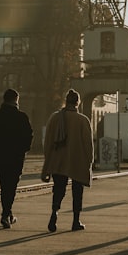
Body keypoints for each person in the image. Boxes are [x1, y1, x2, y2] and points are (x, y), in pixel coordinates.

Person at [41, 89, 94, 232]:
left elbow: (48, 142)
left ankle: (54, 213)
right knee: (77, 191)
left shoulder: (55, 118)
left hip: (58, 160)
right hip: (77, 161)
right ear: (78, 103)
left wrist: (48, 161)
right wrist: (89, 162)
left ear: (66, 101)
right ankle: (75, 221)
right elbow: (88, 144)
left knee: (58, 189)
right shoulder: (83, 120)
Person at [0, 88, 33, 229]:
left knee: (4, 183)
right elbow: (29, 135)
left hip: (1, 155)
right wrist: (24, 149)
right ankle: (6, 214)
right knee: (12, 184)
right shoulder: (22, 117)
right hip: (17, 156)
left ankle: (8, 213)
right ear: (16, 99)